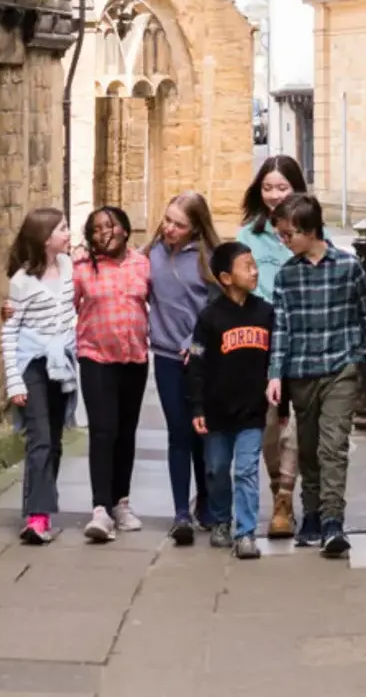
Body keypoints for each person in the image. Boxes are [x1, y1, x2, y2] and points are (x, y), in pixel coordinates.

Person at [266, 193, 366, 558]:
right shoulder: (286, 276)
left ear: (310, 229)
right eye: (281, 236)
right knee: (309, 449)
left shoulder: (348, 268)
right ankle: (312, 514)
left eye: (289, 235)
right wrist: (275, 374)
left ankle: (334, 520)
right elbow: (281, 329)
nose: (284, 242)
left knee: (333, 445)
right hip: (302, 371)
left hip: (341, 368)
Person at [188, 242, 287, 560]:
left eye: (254, 264)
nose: (255, 270)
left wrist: (281, 406)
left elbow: (276, 362)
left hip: (252, 412)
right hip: (217, 412)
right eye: (247, 266)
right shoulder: (209, 318)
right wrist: (197, 406)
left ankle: (245, 533)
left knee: (246, 471)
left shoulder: (265, 312)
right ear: (226, 278)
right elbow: (197, 363)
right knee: (216, 469)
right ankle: (220, 520)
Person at [237, 154, 307, 539]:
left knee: (294, 425)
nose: (275, 195)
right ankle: (276, 490)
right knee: (267, 425)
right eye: (268, 188)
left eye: (282, 187)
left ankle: (286, 500)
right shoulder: (249, 234)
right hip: (262, 341)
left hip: (302, 340)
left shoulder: (312, 232)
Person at [146, 191, 221, 545]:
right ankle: (180, 512)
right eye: (168, 219)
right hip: (165, 358)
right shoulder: (151, 255)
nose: (170, 228)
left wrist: (196, 345)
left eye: (179, 224)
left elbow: (216, 312)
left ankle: (206, 499)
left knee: (202, 432)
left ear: (195, 228)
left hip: (201, 360)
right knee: (178, 433)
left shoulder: (208, 260)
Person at [74, 206, 152, 544]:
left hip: (134, 358)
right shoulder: (81, 269)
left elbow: (159, 303)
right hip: (95, 357)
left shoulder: (142, 265)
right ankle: (100, 509)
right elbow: (62, 302)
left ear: (125, 230)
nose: (103, 233)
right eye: (95, 228)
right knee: (103, 431)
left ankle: (121, 502)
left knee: (126, 432)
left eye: (110, 225)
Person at [1, 206, 77, 546]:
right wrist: (14, 382)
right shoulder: (21, 283)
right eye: (62, 229)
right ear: (46, 239)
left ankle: (42, 505)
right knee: (40, 438)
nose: (68, 234)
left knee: (56, 441)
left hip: (61, 364)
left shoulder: (68, 266)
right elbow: (9, 333)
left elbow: (71, 311)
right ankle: (36, 517)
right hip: (32, 363)